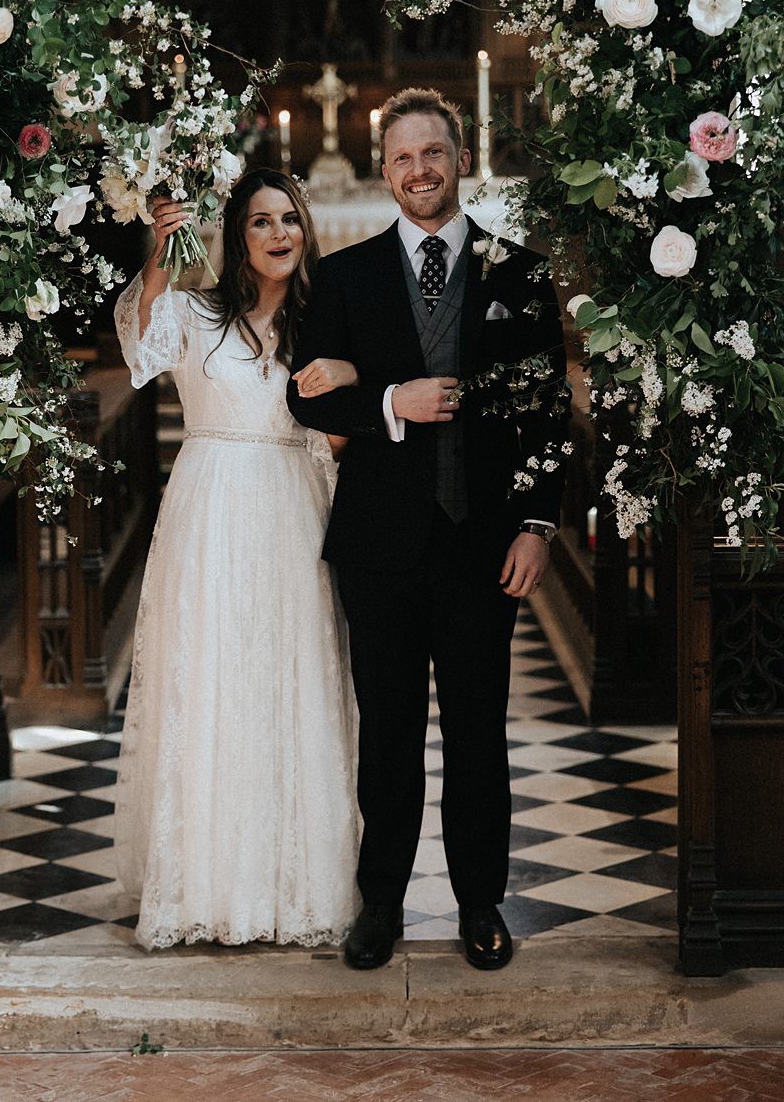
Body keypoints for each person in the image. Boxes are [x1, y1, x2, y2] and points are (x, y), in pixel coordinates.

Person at [287, 89, 568, 972]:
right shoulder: (345, 276)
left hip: (485, 544)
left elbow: (550, 416)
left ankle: (481, 901)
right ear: (384, 171)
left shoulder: (519, 272)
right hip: (378, 544)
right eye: (404, 157)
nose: (420, 170)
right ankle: (382, 903)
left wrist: (537, 523)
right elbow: (310, 398)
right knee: (390, 731)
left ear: (461, 156)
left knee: (481, 730)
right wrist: (387, 401)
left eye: (434, 153)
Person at [113, 169, 360, 950]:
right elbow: (142, 349)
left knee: (290, 681)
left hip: (293, 504)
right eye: (261, 221)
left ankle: (293, 885)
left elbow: (347, 424)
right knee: (211, 680)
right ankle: (208, 885)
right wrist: (159, 252)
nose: (280, 233)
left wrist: (352, 376)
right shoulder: (194, 312)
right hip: (211, 507)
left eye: (290, 218)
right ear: (235, 233)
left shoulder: (324, 324)